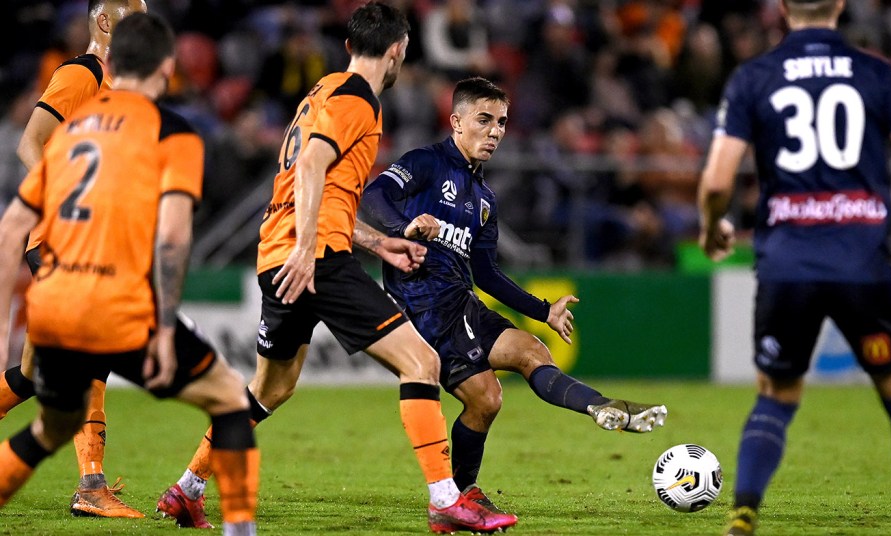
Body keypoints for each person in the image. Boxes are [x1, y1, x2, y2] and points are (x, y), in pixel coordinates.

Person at [155, 4, 518, 533]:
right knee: (421, 363)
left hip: (278, 252)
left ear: (350, 46)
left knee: (270, 388)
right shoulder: (358, 103)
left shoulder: (322, 91)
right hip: (314, 258)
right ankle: (446, 498)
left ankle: (187, 490)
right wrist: (308, 250)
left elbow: (323, 194)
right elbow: (310, 167)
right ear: (398, 51)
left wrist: (381, 242)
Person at [0, 12, 259, 536]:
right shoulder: (169, 130)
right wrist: (163, 328)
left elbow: (11, 228)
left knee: (49, 409)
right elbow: (174, 237)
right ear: (167, 66)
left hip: (55, 280)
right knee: (232, 401)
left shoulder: (79, 132)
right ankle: (225, 526)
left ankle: (88, 483)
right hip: (112, 291)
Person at [359, 76, 668, 513]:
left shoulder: (483, 197)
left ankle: (600, 407)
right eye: (484, 120)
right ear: (456, 121)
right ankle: (461, 493)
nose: (495, 132)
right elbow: (374, 196)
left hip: (461, 301)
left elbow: (486, 273)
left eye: (502, 122)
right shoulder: (426, 163)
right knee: (503, 379)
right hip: (423, 306)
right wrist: (402, 227)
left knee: (499, 385)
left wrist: (545, 310)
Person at [697, 1, 891, 535]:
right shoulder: (878, 73)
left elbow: (718, 182)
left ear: (783, 9)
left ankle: (744, 512)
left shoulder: (754, 76)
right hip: (862, 265)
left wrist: (712, 225)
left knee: (778, 394)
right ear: (839, 5)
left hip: (787, 266)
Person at [0, 0, 148, 519]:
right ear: (105, 22)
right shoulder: (81, 73)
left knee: (30, 376)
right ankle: (91, 486)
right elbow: (30, 144)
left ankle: (92, 485)